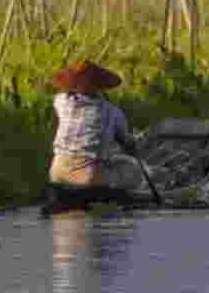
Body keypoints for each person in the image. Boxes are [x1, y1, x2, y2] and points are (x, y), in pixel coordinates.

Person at [46, 60, 152, 195]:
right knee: (134, 171)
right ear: (100, 87)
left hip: (56, 174)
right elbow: (127, 144)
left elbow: (65, 96)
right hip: (87, 178)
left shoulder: (60, 102)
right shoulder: (112, 112)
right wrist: (130, 145)